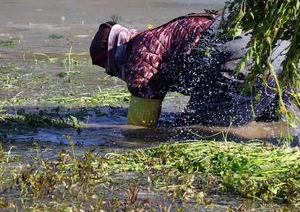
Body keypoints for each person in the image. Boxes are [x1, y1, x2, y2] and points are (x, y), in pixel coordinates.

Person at [89, 12, 285, 128]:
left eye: (108, 68)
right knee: (270, 125)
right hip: (279, 51)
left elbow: (141, 128)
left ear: (113, 57)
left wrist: (131, 140)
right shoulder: (154, 37)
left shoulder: (139, 58)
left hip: (236, 56)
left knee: (195, 132)